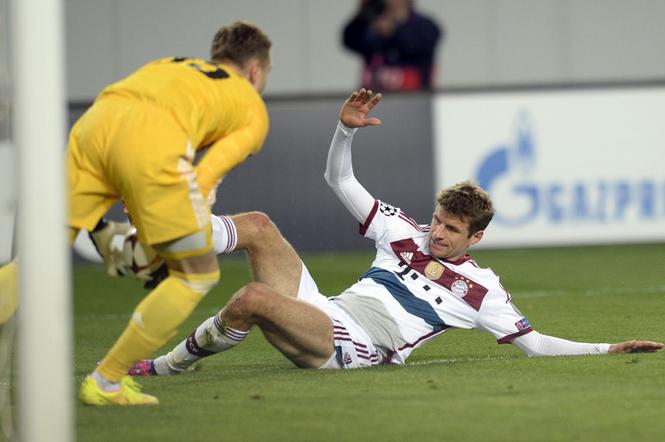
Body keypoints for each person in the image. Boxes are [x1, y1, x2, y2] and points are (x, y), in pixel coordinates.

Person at [126, 89, 663, 378]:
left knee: (252, 298)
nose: (438, 235)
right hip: (327, 308)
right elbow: (338, 178)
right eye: (438, 221)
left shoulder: (483, 291)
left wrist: (609, 348)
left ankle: (166, 367)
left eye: (452, 231)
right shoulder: (401, 230)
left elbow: (539, 346)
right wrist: (344, 131)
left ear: (474, 238)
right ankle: (162, 237)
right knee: (261, 226)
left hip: (359, 347)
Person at [65, 21, 273, 406]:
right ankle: (106, 381)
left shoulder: (173, 65)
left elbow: (130, 126)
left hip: (92, 125)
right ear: (256, 70)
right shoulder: (251, 107)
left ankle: (130, 253)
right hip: (150, 146)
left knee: (36, 265)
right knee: (197, 273)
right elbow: (206, 175)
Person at [342, 0, 442, 92]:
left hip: (414, 98)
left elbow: (416, 46)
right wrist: (363, 12)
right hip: (373, 99)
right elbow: (350, 40)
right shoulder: (373, 25)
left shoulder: (425, 26)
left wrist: (396, 27)